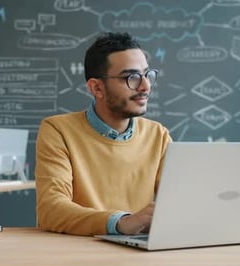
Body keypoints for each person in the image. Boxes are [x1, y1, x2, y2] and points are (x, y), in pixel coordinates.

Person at [35, 32, 173, 236]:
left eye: (147, 74)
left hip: (140, 256)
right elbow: (51, 209)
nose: (145, 86)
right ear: (97, 88)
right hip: (78, 256)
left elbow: (177, 204)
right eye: (131, 78)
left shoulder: (158, 135)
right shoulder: (58, 131)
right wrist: (120, 222)